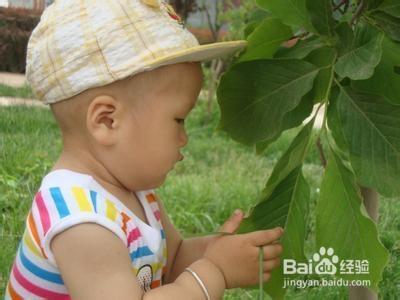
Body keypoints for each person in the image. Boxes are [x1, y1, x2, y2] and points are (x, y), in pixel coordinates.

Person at [5, 0, 284, 299]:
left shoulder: (134, 193)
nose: (185, 137)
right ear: (107, 120)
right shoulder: (80, 221)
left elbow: (173, 259)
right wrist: (213, 272)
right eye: (178, 119)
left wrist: (215, 251)